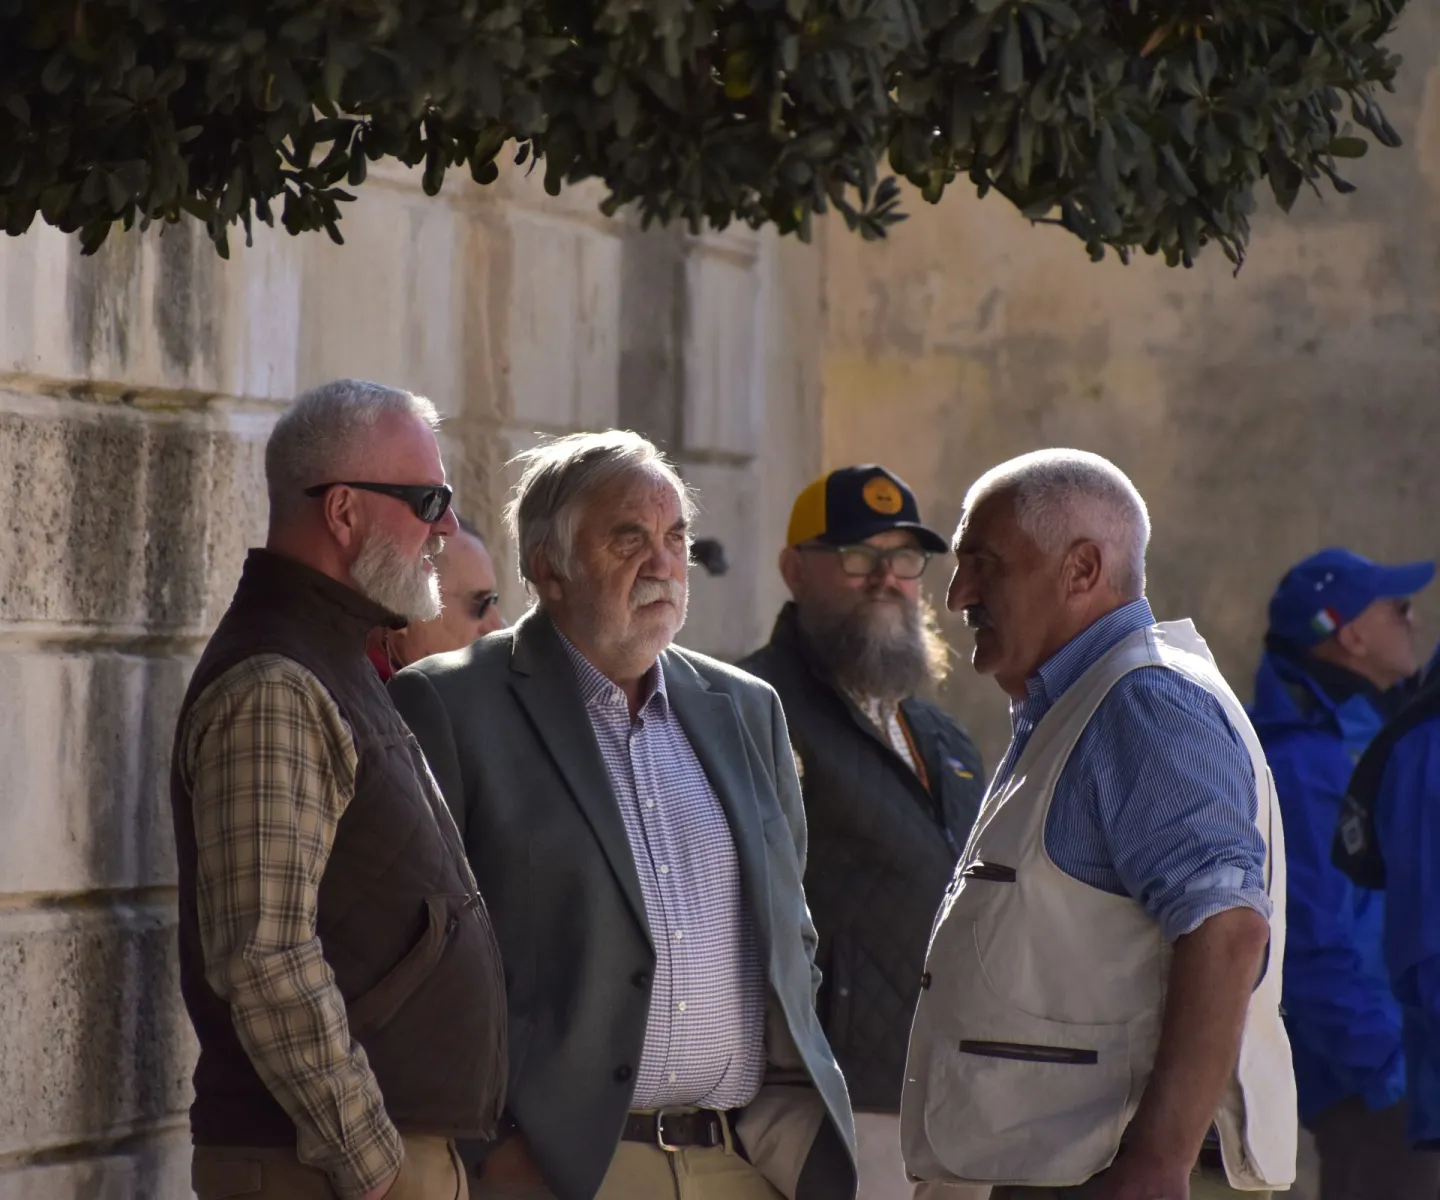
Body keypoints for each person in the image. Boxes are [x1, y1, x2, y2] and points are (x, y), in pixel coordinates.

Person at [388, 430, 857, 1200]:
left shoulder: (747, 708)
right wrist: (488, 1152)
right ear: (549, 568)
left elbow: (790, 928)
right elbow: (414, 959)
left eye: (676, 538)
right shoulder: (449, 704)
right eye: (629, 539)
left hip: (743, 1160)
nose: (663, 563)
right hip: (564, 1172)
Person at [902, 448, 1296, 1200]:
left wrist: (1158, 1158)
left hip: (1117, 1175)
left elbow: (1226, 929)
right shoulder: (1086, 702)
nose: (957, 596)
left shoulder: (1141, 703)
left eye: (984, 564)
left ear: (1082, 569)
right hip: (1079, 1169)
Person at [169, 379, 508, 1200]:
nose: (445, 528)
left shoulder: (335, 653)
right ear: (344, 511)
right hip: (325, 1168)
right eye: (428, 501)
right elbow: (264, 955)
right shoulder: (275, 680)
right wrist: (375, 1165)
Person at [738, 465, 984, 1200]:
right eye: (857, 555)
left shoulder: (941, 735)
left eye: (904, 558)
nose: (886, 579)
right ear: (794, 569)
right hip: (839, 1101)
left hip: (960, 1098)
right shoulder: (748, 708)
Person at [1250, 549, 1438, 1200]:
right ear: (1350, 634)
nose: (1415, 622)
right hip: (1382, 1095)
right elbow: (1305, 945)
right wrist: (1390, 1074)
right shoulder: (1304, 768)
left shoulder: (1379, 742)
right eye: (1399, 609)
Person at [370, 518, 506, 679]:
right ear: (401, 608)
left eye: (494, 600)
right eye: (482, 605)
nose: (497, 627)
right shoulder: (360, 688)